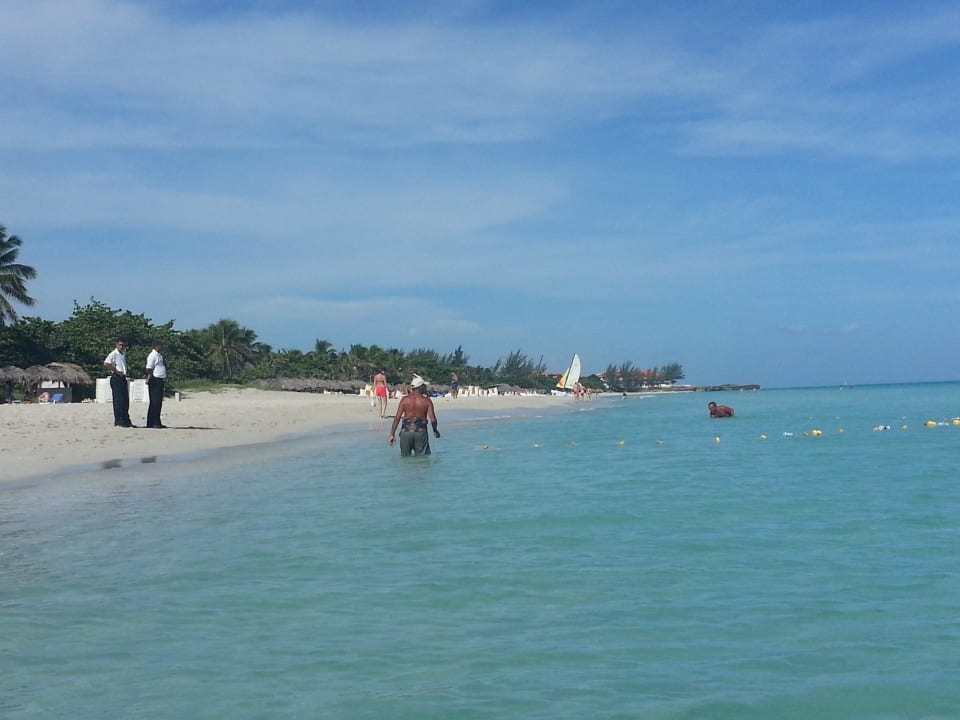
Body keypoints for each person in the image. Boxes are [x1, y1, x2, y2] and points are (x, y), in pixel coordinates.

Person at [389, 376, 440, 456]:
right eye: (424, 386)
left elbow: (397, 418)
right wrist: (435, 430)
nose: (425, 388)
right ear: (420, 387)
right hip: (420, 432)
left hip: (405, 432)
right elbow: (433, 420)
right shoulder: (427, 401)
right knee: (422, 460)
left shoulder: (404, 400)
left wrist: (392, 434)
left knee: (405, 459)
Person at [103, 339, 134, 427]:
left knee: (125, 400)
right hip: (116, 377)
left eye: (123, 345)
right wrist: (116, 371)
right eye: (120, 345)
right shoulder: (113, 354)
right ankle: (119, 421)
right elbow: (106, 363)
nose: (121, 347)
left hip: (123, 377)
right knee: (118, 400)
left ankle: (126, 420)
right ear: (116, 345)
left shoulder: (123, 354)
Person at [145, 340, 167, 428]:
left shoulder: (159, 355)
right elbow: (149, 368)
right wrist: (151, 376)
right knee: (155, 402)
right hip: (155, 379)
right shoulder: (153, 355)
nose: (162, 348)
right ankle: (153, 422)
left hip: (160, 379)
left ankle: (156, 421)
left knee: (158, 402)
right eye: (161, 346)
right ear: (156, 346)